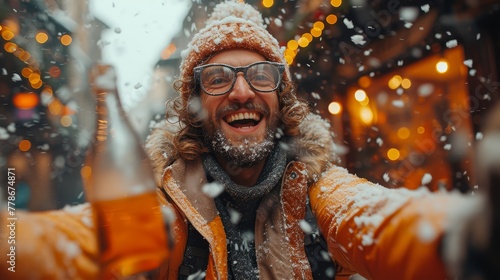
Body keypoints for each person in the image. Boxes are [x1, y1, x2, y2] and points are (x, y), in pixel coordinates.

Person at [0, 1, 497, 279]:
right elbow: (79, 241)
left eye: (260, 75)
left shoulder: (321, 189)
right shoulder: (165, 203)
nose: (241, 92)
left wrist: (463, 239)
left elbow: (375, 219)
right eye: (217, 78)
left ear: (281, 97)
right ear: (193, 104)